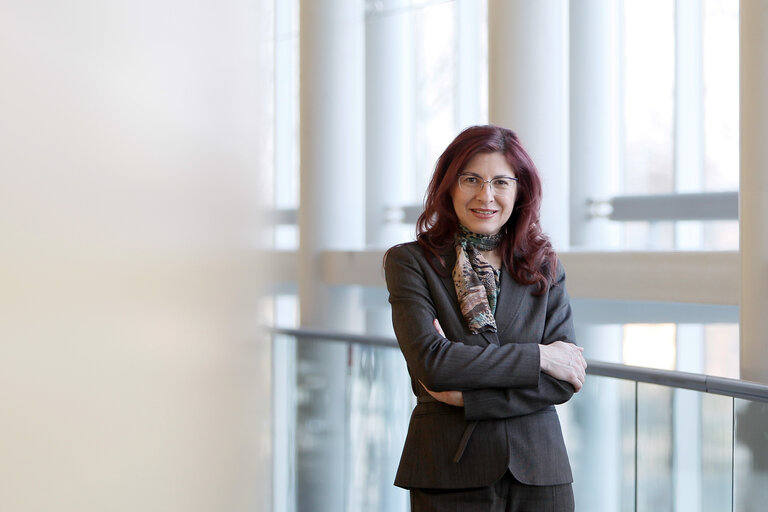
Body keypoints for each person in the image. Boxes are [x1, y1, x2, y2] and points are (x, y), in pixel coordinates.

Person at [383, 125, 587, 511]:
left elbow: (564, 383)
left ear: (520, 190)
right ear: (449, 186)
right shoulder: (410, 262)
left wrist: (468, 399)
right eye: (471, 179)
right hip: (449, 471)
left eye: (500, 182)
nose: (485, 195)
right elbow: (434, 364)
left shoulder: (543, 265)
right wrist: (540, 357)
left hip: (540, 472)